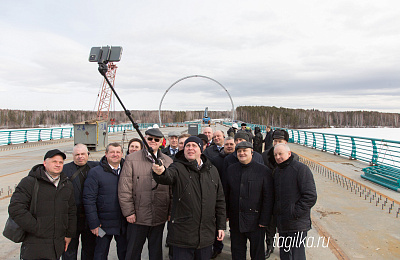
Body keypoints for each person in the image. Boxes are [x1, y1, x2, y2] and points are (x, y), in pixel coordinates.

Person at [152, 136, 226, 260]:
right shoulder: (177, 167)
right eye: (187, 146)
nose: (190, 148)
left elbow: (220, 200)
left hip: (206, 235)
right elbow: (168, 176)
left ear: (201, 149)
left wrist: (221, 225)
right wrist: (160, 172)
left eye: (194, 146)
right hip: (183, 236)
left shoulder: (212, 170)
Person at [9, 149, 76, 260]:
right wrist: (36, 227)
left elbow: (71, 211)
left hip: (57, 243)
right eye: (54, 162)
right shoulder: (30, 182)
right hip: (34, 243)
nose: (58, 165)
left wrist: (69, 234)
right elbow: (16, 208)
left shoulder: (66, 184)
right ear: (45, 163)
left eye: (60, 162)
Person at [118, 128, 173, 260]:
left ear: (161, 142)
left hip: (159, 216)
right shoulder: (131, 159)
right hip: (138, 217)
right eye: (150, 139)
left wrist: (170, 211)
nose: (152, 142)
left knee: (155, 252)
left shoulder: (168, 161)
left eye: (156, 140)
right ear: (145, 139)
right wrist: (129, 212)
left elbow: (171, 190)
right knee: (133, 251)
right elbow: (124, 188)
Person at [224, 142, 274, 260]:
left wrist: (264, 219)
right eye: (239, 151)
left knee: (257, 254)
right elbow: (226, 194)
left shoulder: (263, 171)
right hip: (236, 220)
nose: (242, 153)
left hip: (256, 222)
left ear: (252, 152)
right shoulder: (231, 169)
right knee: (237, 252)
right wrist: (225, 214)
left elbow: (268, 197)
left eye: (244, 150)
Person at [83, 143, 127, 260]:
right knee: (100, 253)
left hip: (122, 223)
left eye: (118, 152)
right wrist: (94, 223)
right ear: (106, 154)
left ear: (122, 154)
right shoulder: (95, 172)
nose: (115, 155)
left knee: (125, 253)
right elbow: (89, 199)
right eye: (112, 152)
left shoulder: (127, 170)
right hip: (103, 224)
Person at [273, 144, 317, 260]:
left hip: (297, 224)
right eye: (275, 155)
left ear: (289, 153)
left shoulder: (301, 169)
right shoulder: (277, 171)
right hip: (283, 223)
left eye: (280, 154)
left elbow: (310, 196)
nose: (278, 157)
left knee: (297, 256)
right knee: (285, 255)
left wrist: (294, 212)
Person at [262, 129, 299, 259]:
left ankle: (285, 249)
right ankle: (269, 245)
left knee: (285, 227)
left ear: (286, 143)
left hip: (285, 197)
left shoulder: (293, 157)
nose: (277, 143)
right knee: (269, 225)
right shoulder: (265, 156)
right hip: (270, 195)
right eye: (275, 141)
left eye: (280, 141)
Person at [63, 144, 99, 260]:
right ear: (73, 156)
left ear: (88, 154)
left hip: (89, 218)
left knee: (89, 249)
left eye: (83, 154)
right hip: (72, 219)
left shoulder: (96, 167)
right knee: (69, 250)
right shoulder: (64, 170)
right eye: (77, 155)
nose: (80, 157)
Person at [208, 136, 236, 258]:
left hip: (234, 196)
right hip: (219, 195)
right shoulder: (215, 160)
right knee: (218, 223)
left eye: (231, 144)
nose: (229, 146)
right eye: (227, 144)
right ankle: (217, 247)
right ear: (223, 146)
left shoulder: (238, 159)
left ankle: (236, 247)